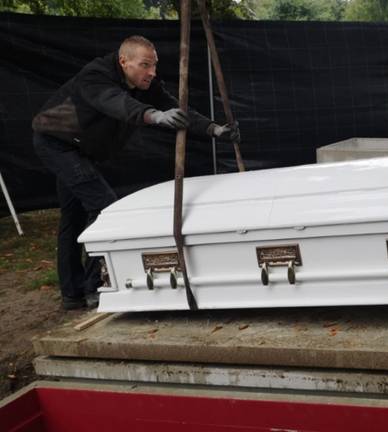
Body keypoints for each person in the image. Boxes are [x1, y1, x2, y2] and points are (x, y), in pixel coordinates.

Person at [32, 35, 240, 310]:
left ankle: (72, 294)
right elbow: (115, 102)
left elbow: (176, 109)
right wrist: (153, 116)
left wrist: (214, 129)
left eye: (154, 66)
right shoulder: (95, 76)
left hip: (81, 149)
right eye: (145, 65)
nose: (152, 72)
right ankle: (94, 286)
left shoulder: (145, 85)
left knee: (73, 217)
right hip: (55, 142)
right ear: (124, 62)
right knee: (104, 207)